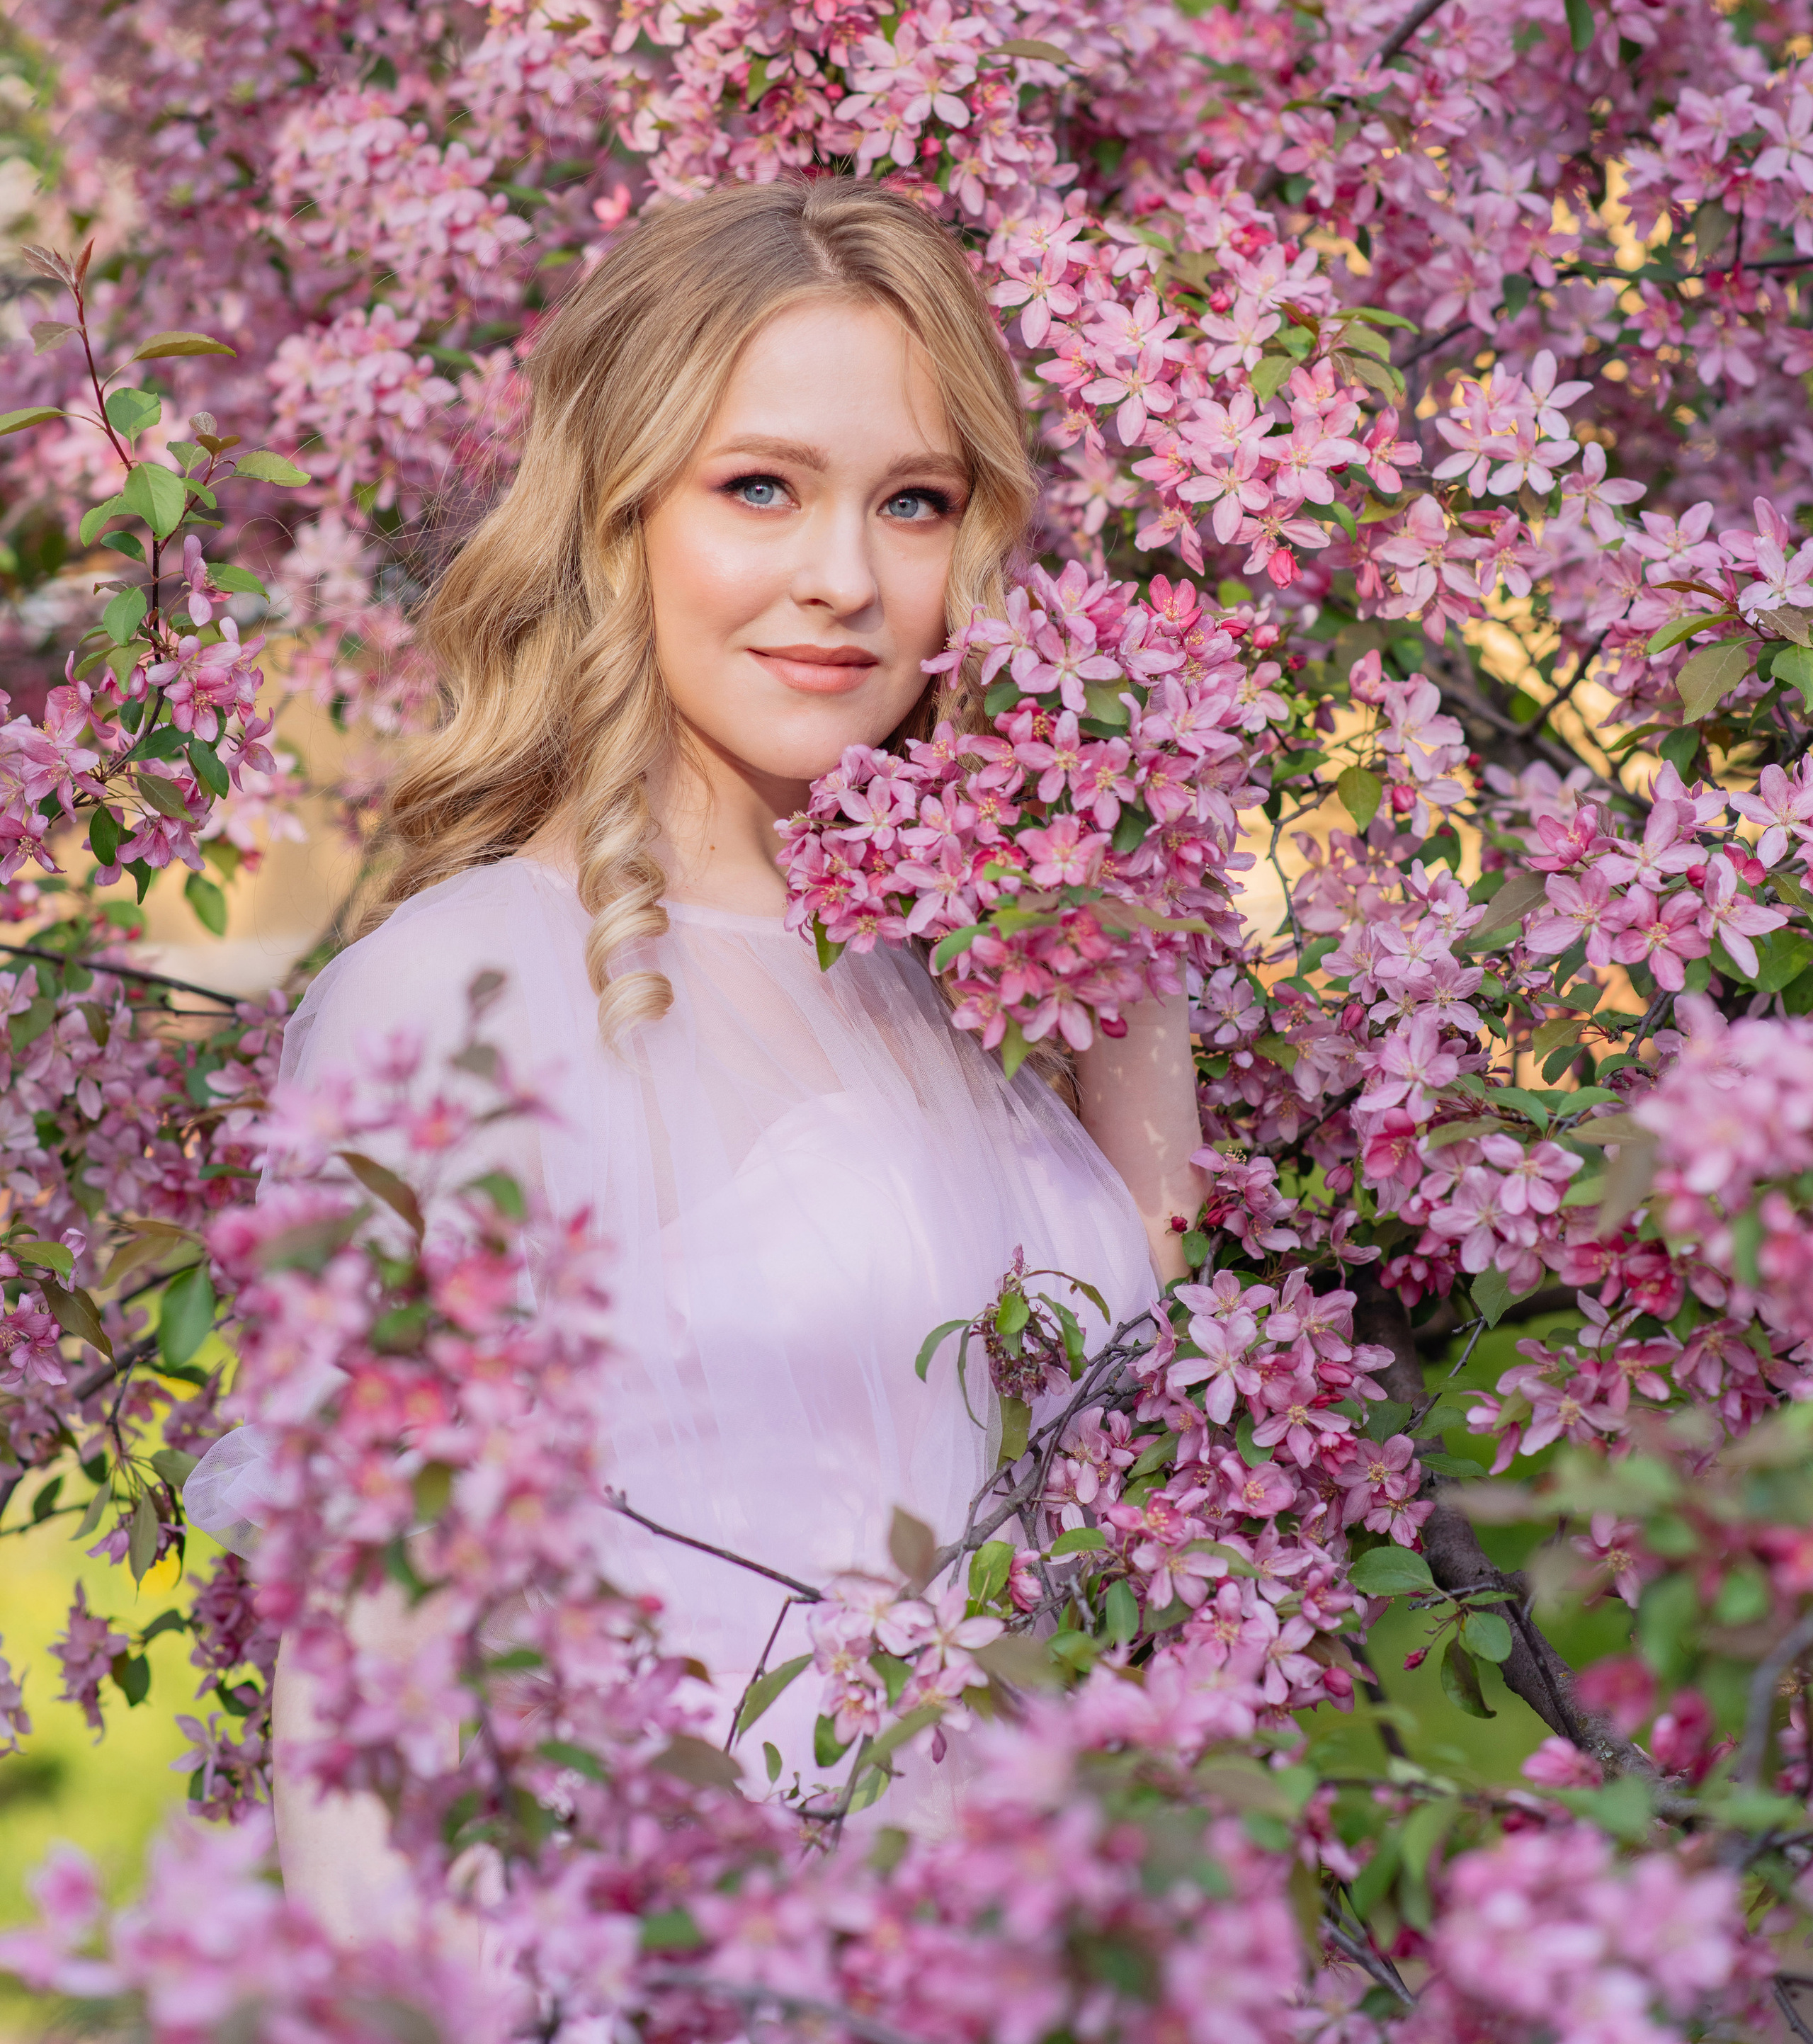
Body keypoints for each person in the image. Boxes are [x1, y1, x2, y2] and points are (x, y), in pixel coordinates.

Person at [186, 178, 1202, 1934]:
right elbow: (363, 1726)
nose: (843, 579)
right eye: (759, 488)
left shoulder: (941, 978)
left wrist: (1106, 884)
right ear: (614, 510)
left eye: (913, 501)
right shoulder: (454, 998)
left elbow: (1127, 1360)